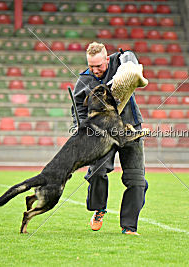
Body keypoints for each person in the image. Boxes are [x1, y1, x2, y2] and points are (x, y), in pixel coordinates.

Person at [71, 42, 148, 235]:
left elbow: (130, 57)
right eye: (91, 66)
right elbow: (78, 108)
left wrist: (129, 67)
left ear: (107, 59)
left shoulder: (120, 61)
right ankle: (99, 208)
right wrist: (81, 127)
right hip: (103, 134)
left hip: (130, 128)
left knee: (136, 180)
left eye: (99, 66)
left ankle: (129, 227)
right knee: (97, 172)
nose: (95, 70)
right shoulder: (84, 80)